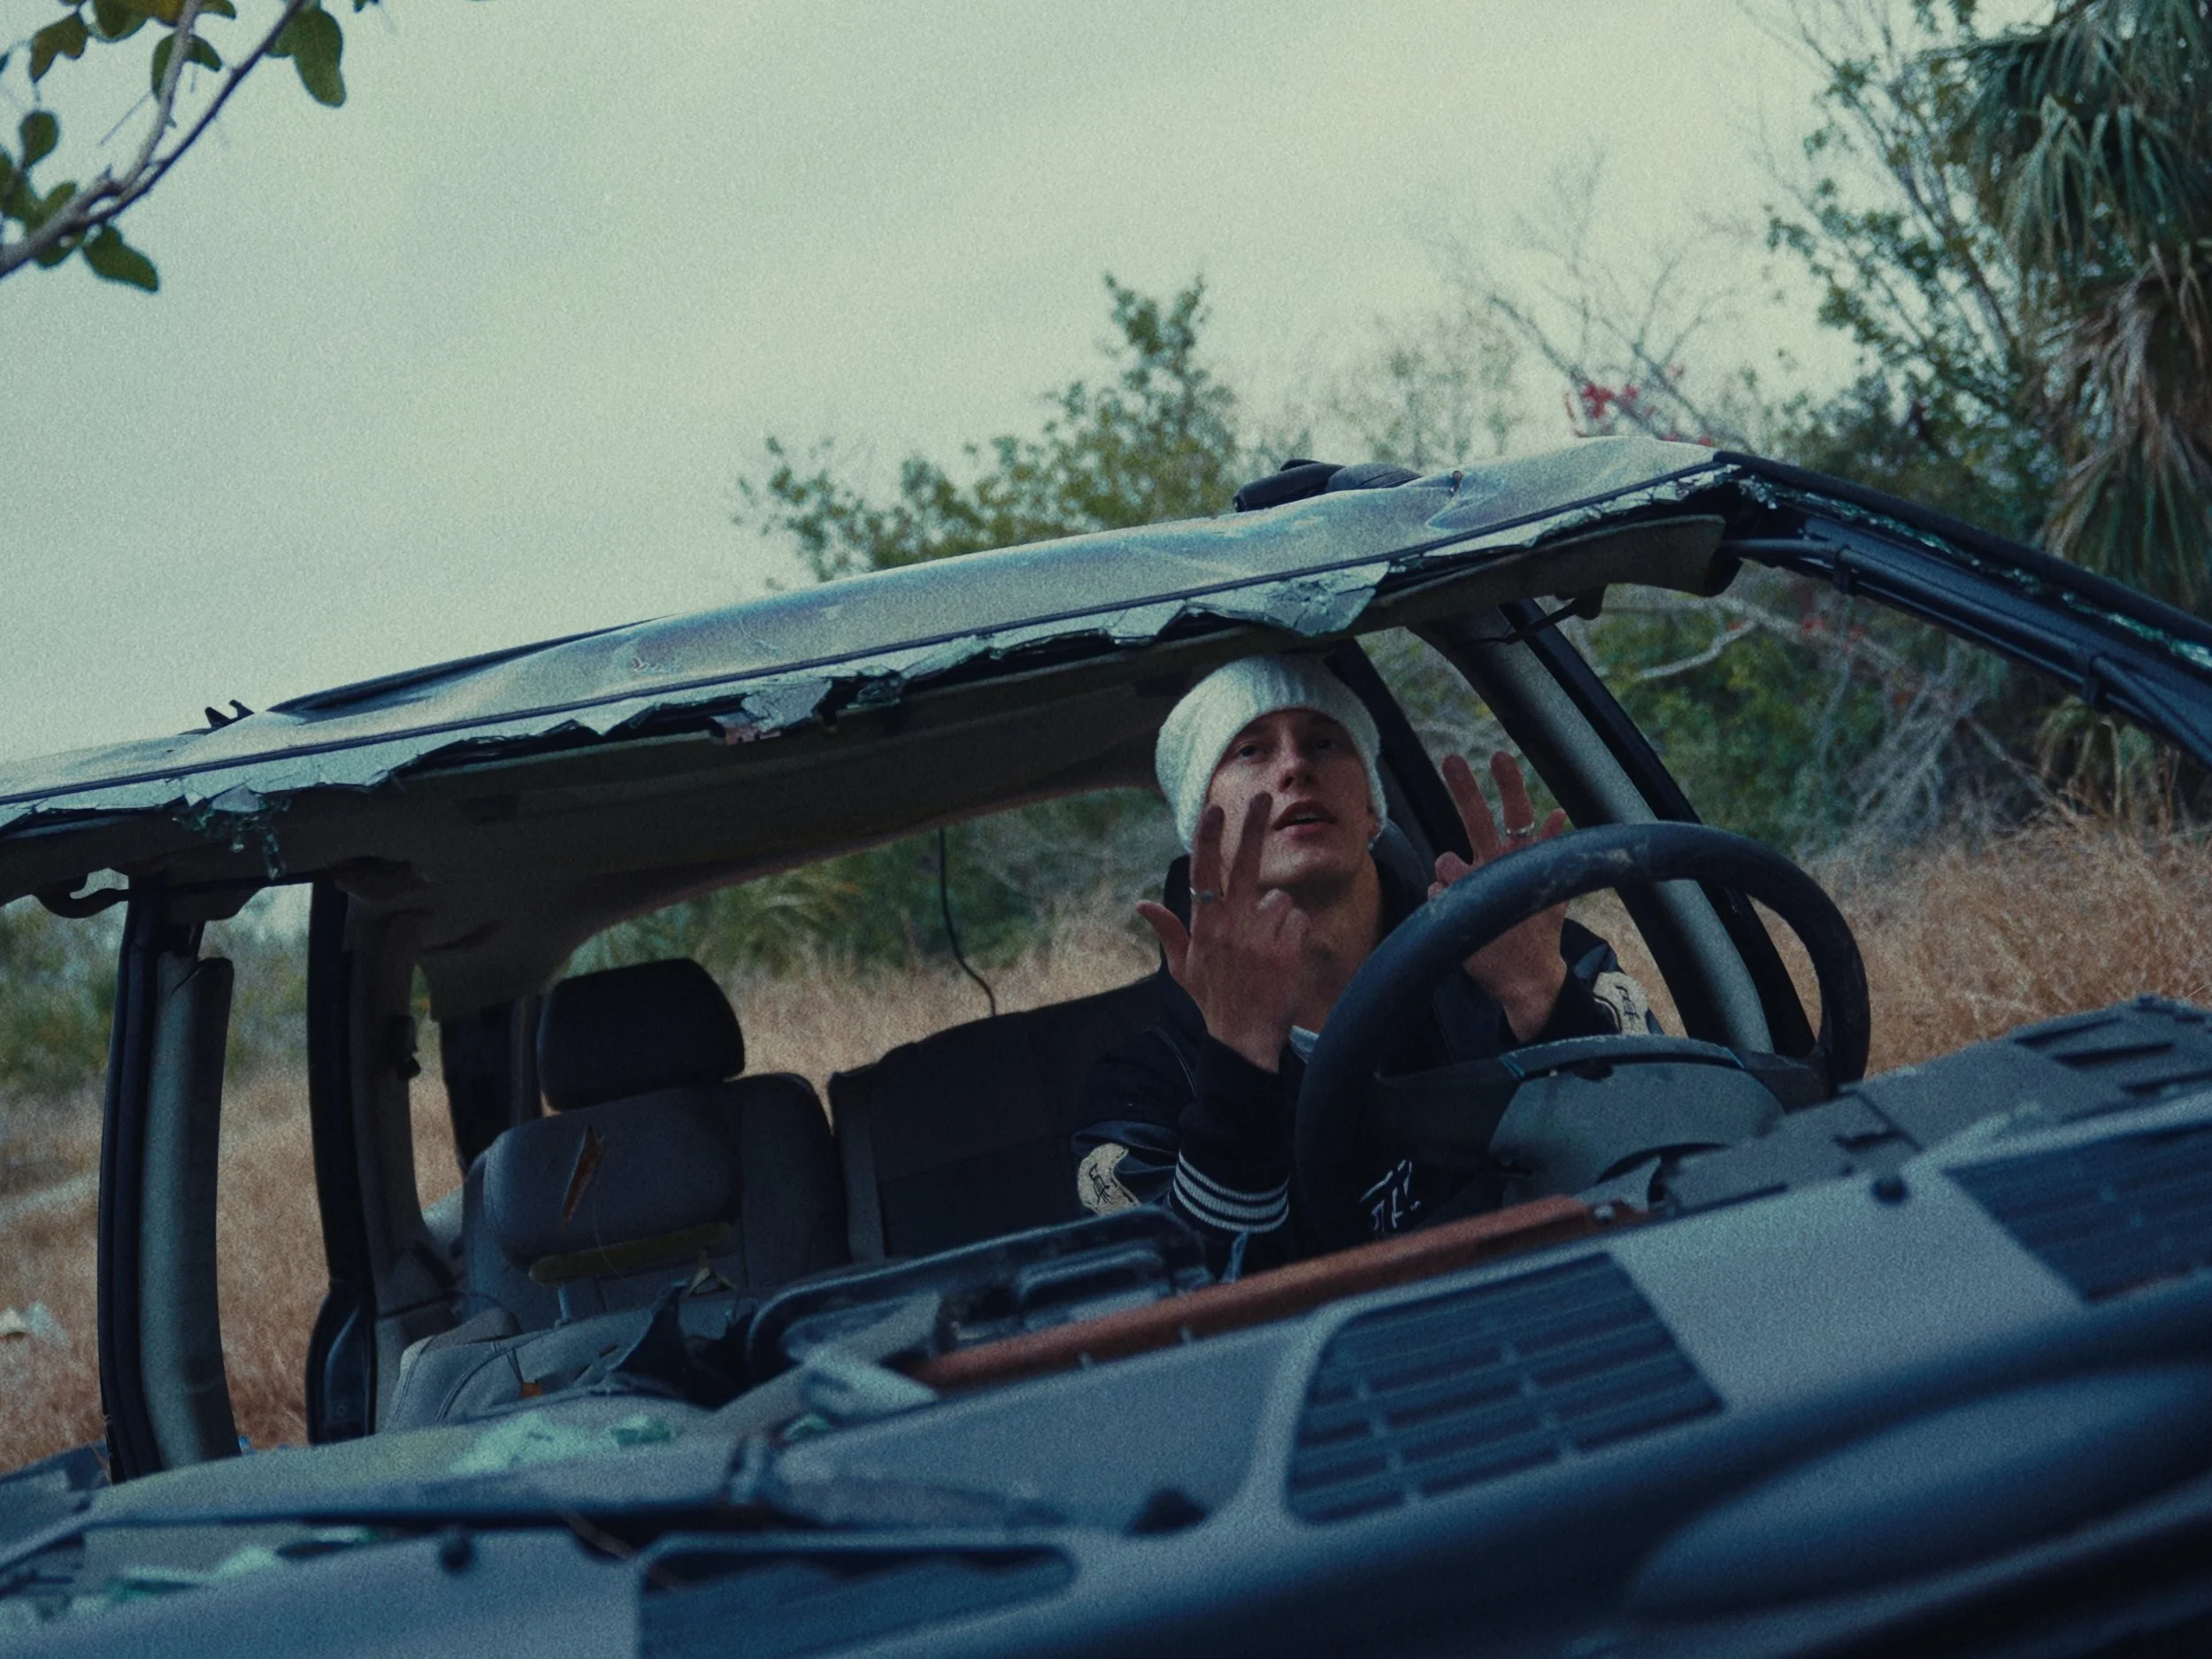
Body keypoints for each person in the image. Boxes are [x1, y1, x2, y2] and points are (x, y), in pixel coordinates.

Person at [1074, 654, 1654, 1273]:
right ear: (1200, 833)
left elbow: (1665, 1161)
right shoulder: (1141, 1091)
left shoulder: (1534, 952)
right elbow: (1182, 1296)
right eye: (1250, 750)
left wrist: (1542, 1000)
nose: (1295, 766)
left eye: (1324, 742)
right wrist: (1237, 1067)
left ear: (1373, 807)